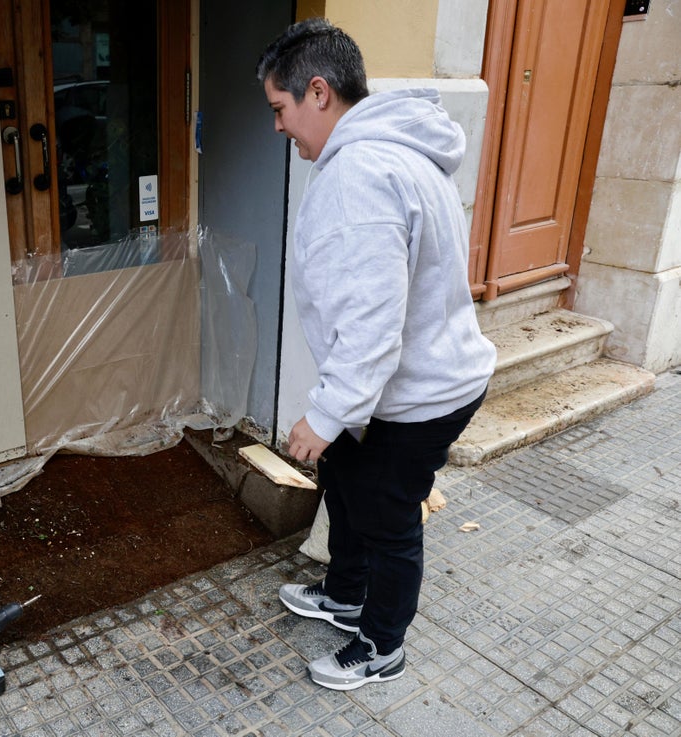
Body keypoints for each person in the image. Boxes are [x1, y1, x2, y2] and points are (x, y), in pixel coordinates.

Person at [256, 18, 496, 690]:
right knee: (350, 484)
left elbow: (371, 324)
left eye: (281, 109)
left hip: (418, 392)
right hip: (415, 379)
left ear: (320, 92)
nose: (278, 127)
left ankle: (380, 644)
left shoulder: (359, 174)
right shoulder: (393, 151)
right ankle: (344, 592)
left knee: (387, 517)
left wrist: (324, 414)